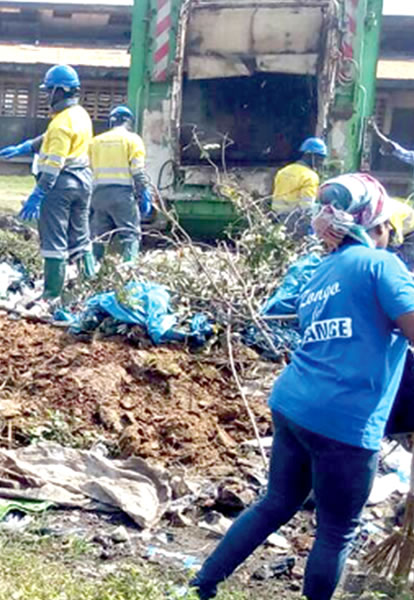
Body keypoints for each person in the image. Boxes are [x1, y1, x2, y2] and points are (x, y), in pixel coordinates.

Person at [188, 173, 414, 600]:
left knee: (276, 502)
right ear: (375, 226)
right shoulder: (381, 265)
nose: (389, 237)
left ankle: (201, 584)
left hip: (293, 404)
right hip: (344, 422)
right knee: (336, 530)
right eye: (387, 228)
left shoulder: (319, 272)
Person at [0, 64, 93, 301]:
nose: (47, 96)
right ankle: (92, 284)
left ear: (60, 90)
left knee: (54, 241)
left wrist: (37, 195)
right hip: (84, 183)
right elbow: (49, 138)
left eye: (49, 90)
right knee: (81, 237)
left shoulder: (61, 123)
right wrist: (25, 147)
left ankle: (51, 295)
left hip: (60, 186)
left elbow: (52, 168)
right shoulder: (79, 115)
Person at [88, 105, 152, 262]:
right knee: (130, 234)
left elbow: (87, 170)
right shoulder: (133, 140)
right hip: (122, 196)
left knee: (99, 236)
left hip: (98, 196)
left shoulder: (95, 142)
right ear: (129, 122)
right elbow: (138, 171)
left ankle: (93, 271)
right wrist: (144, 193)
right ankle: (129, 272)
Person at [272, 137, 326, 238]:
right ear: (311, 155)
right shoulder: (310, 176)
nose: (321, 163)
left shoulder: (283, 171)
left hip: (277, 219)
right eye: (320, 158)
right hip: (295, 223)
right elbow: (307, 207)